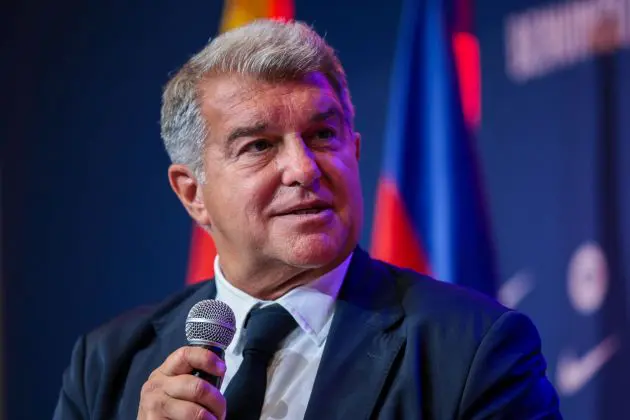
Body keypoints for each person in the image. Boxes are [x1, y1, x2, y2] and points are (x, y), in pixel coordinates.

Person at [53, 19, 561, 420]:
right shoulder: (107, 364)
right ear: (193, 194)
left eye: (322, 135)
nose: (303, 169)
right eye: (258, 146)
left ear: (354, 151)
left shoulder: (474, 349)